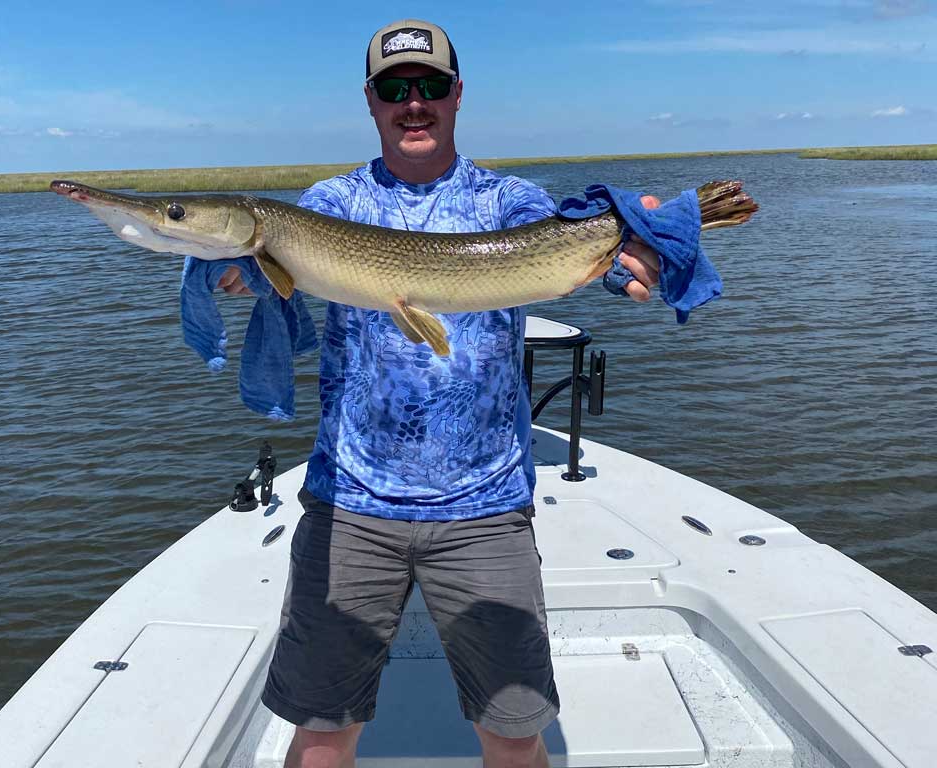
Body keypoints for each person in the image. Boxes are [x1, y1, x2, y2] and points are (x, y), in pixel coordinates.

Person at [217, 19, 661, 768]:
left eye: (429, 86)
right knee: (321, 733)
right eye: (395, 88)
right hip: (350, 502)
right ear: (371, 101)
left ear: (457, 95)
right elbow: (279, 289)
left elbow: (579, 245)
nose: (412, 102)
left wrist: (637, 251)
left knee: (516, 734)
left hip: (485, 507)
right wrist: (235, 269)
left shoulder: (507, 202)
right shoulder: (331, 204)